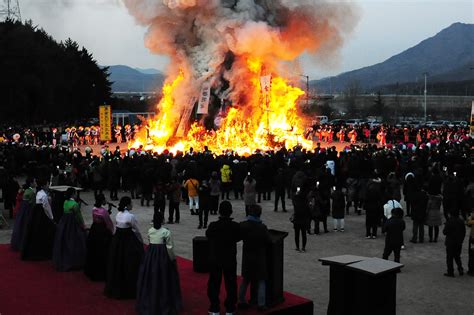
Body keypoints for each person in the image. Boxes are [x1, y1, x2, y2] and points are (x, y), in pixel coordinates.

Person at [136, 213, 182, 315]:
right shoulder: (166, 232)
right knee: (164, 277)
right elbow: (170, 247)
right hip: (162, 256)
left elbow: (149, 240)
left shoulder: (150, 230)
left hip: (151, 255)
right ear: (163, 220)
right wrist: (172, 258)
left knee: (150, 277)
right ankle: (164, 301)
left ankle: (151, 299)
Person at [104, 196, 144, 299]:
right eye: (131, 203)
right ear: (128, 205)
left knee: (117, 262)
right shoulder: (130, 216)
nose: (132, 205)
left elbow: (117, 227)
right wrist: (141, 241)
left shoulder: (118, 214)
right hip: (128, 241)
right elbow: (136, 230)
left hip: (118, 241)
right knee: (130, 262)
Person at [206, 201, 241, 315]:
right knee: (231, 283)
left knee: (214, 283)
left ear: (219, 212)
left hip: (215, 258)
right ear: (230, 212)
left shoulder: (213, 226)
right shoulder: (235, 226)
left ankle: (214, 307)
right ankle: (230, 307)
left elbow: (208, 235)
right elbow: (239, 237)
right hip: (229, 258)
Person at [238, 205, 271, 312]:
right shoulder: (262, 227)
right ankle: (261, 304)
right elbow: (269, 240)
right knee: (261, 280)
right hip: (259, 257)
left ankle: (241, 301)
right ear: (259, 214)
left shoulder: (243, 225)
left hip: (247, 256)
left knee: (246, 280)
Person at [52, 187, 87, 271]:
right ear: (72, 194)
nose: (76, 195)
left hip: (64, 223)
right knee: (76, 240)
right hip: (72, 224)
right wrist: (83, 225)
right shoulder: (75, 204)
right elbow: (79, 217)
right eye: (75, 193)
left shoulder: (65, 202)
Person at [21, 180, 56, 261]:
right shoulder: (44, 196)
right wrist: (51, 217)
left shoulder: (39, 193)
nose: (48, 186)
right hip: (43, 216)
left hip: (36, 216)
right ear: (43, 186)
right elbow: (46, 208)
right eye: (47, 184)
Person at [84, 194, 115, 281]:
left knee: (94, 250)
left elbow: (99, 216)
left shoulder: (94, 209)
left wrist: (108, 210)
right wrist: (111, 231)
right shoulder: (103, 211)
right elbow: (108, 222)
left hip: (95, 230)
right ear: (102, 201)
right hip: (102, 231)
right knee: (103, 251)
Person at [10, 178, 36, 251]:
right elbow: (33, 203)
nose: (35, 183)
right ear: (31, 183)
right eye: (34, 182)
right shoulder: (31, 192)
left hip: (22, 210)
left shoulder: (26, 191)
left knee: (21, 226)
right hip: (28, 210)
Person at [443, 210, 466, 277]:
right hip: (458, 242)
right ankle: (460, 268)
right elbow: (464, 232)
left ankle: (450, 272)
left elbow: (444, 232)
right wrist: (461, 240)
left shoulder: (449, 222)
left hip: (450, 242)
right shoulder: (461, 221)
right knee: (457, 256)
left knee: (449, 257)